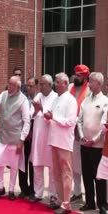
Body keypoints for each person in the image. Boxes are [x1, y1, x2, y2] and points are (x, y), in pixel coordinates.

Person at [45, 72, 77, 214]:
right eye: (55, 82)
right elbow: (52, 119)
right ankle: (59, 199)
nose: (56, 84)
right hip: (54, 140)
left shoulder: (71, 100)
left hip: (64, 142)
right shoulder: (56, 99)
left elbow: (70, 122)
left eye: (58, 82)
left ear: (65, 83)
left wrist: (54, 117)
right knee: (56, 173)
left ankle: (67, 204)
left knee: (66, 174)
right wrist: (48, 117)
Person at [77, 72, 108, 214]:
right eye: (89, 81)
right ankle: (90, 202)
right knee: (87, 174)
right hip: (84, 144)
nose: (89, 83)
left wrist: (94, 140)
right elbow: (79, 120)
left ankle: (102, 204)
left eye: (92, 81)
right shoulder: (85, 100)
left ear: (99, 84)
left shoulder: (105, 101)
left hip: (98, 146)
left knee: (99, 176)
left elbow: (104, 125)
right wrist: (83, 137)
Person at [29, 74, 58, 205]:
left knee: (52, 169)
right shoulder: (38, 96)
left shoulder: (56, 98)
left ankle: (53, 195)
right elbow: (31, 114)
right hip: (38, 137)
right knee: (37, 166)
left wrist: (41, 109)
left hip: (50, 138)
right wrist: (35, 111)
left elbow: (53, 116)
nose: (40, 86)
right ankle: (38, 193)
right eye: (39, 84)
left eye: (42, 84)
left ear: (50, 85)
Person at [68, 64, 90, 202]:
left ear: (85, 77)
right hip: (68, 131)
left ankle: (89, 193)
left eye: (79, 75)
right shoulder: (70, 87)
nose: (76, 77)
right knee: (73, 164)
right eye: (75, 74)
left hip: (82, 133)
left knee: (83, 165)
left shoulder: (88, 91)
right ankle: (77, 192)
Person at [18, 77, 38, 199]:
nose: (29, 88)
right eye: (28, 86)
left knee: (32, 163)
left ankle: (32, 189)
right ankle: (23, 188)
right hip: (23, 136)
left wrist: (31, 132)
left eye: (31, 86)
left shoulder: (38, 99)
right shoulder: (23, 99)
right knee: (22, 162)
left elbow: (36, 118)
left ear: (36, 87)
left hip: (33, 136)